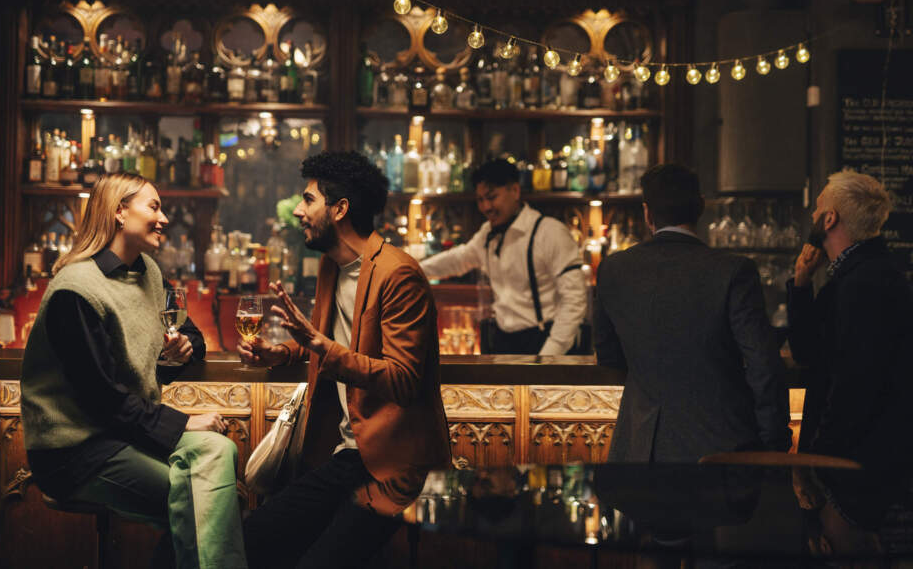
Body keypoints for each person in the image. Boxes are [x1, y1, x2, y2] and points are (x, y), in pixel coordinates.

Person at [21, 172, 246, 569]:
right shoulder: (76, 290)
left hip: (124, 434)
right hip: (77, 452)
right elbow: (101, 398)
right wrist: (182, 424)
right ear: (120, 212)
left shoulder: (147, 271)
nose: (163, 219)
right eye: (154, 207)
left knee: (221, 450)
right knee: (204, 498)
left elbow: (188, 329)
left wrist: (183, 346)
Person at [238, 151, 451, 569]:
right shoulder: (332, 266)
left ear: (339, 210)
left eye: (308, 199)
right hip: (344, 454)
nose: (298, 211)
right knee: (250, 537)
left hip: (393, 465)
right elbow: (327, 340)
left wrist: (321, 346)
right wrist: (281, 351)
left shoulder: (398, 274)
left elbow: (405, 378)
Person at [595, 163, 790, 462]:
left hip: (640, 451)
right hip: (721, 450)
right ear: (700, 207)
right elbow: (763, 364)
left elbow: (609, 356)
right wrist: (775, 443)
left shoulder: (613, 268)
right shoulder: (733, 271)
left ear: (647, 213)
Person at [788, 170, 913, 539]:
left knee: (848, 556)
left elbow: (854, 384)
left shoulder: (864, 283)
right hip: (856, 458)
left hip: (856, 464)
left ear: (831, 219)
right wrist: (800, 283)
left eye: (819, 206)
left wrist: (820, 456)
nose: (812, 214)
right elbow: (807, 351)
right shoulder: (856, 274)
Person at [418, 158, 586, 355]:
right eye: (480, 200)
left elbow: (575, 300)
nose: (485, 207)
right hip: (501, 342)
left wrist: (549, 356)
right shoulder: (487, 234)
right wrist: (410, 268)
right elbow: (458, 259)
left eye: (491, 197)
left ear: (515, 191)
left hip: (543, 341)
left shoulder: (550, 233)